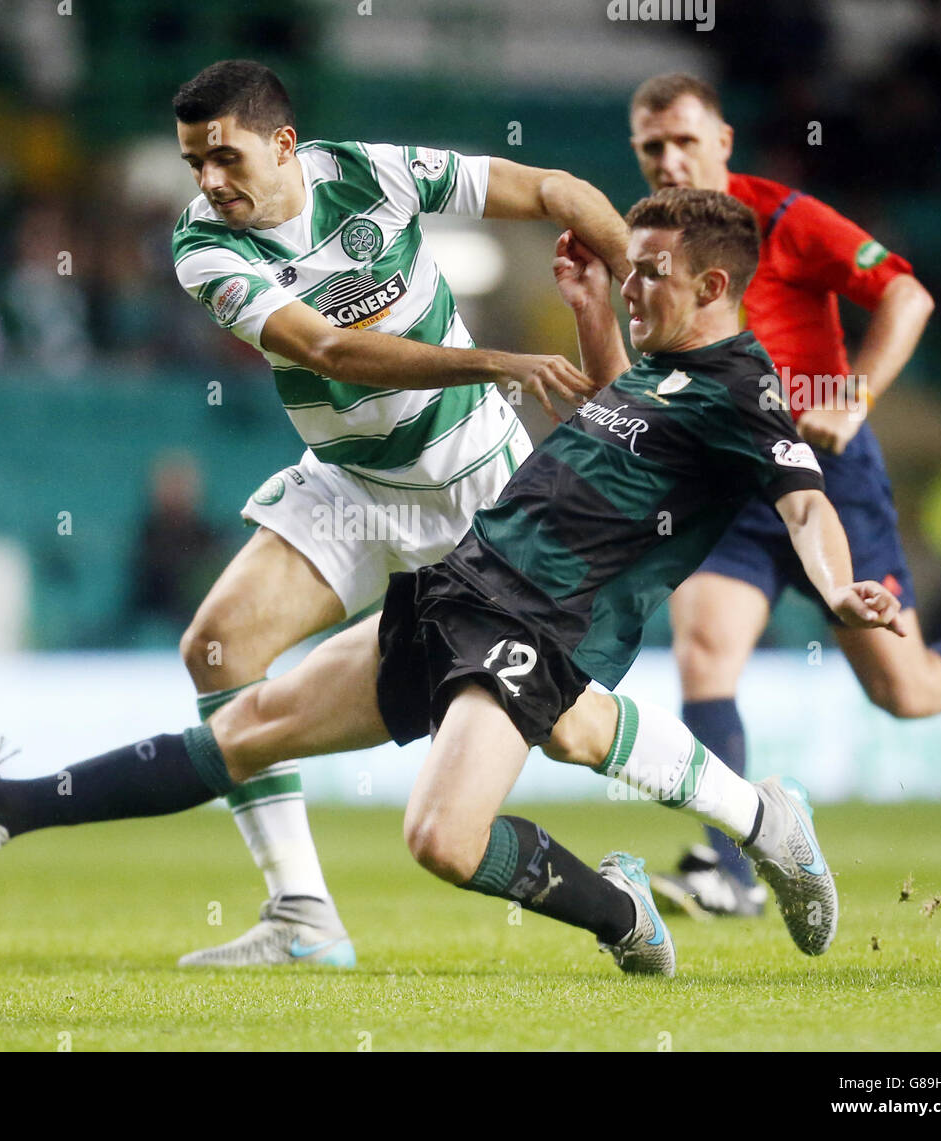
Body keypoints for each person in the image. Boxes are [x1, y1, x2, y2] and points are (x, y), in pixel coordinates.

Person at [0, 188, 904, 979]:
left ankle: (669, 879)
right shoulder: (656, 364)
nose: (632, 285)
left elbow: (805, 503)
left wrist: (843, 585)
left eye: (646, 275)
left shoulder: (747, 388)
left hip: (542, 618)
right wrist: (596, 311)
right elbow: (618, 420)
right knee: (246, 728)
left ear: (715, 283)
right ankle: (4, 807)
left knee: (439, 835)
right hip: (462, 577)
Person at [165, 59, 631, 966]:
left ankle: (758, 815)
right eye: (194, 164)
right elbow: (332, 348)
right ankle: (302, 912)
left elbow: (553, 188)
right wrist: (499, 361)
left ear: (284, 144)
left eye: (224, 157)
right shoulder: (203, 248)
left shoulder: (377, 172)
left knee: (574, 726)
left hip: (474, 484)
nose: (210, 182)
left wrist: (634, 264)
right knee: (217, 645)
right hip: (353, 486)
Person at [619, 74, 941, 919]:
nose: (669, 158)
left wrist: (855, 395)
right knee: (705, 650)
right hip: (731, 482)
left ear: (723, 141)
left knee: (907, 691)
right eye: (652, 146)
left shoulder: (789, 220)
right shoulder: (647, 242)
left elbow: (908, 294)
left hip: (829, 477)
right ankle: (725, 866)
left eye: (686, 139)